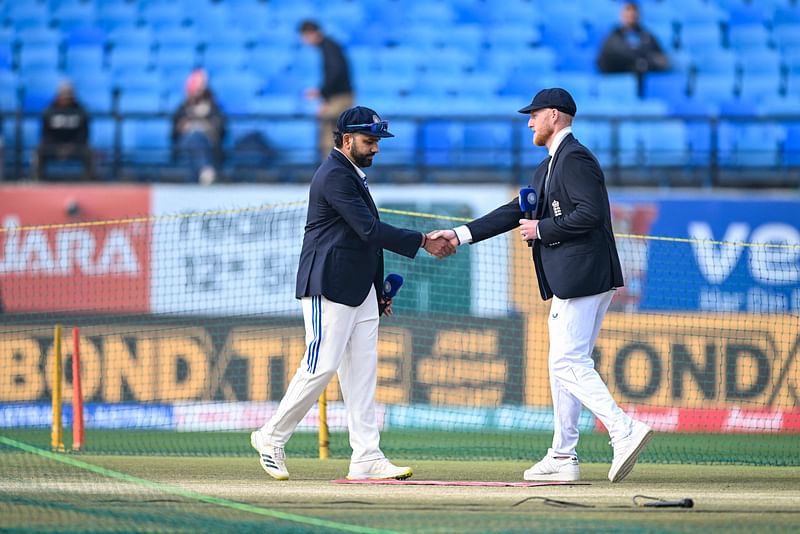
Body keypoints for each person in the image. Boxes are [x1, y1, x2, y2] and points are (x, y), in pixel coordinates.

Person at [430, 88, 653, 483]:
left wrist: (542, 228)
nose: (529, 122)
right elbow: (514, 211)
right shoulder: (547, 167)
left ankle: (623, 429)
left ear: (554, 115)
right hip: (575, 277)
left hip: (582, 275)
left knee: (568, 362)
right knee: (560, 365)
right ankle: (563, 456)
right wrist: (459, 234)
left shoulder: (575, 158)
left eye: (533, 115)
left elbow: (593, 214)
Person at [250, 106, 455, 481]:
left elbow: (364, 242)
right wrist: (424, 240)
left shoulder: (351, 175)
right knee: (321, 365)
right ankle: (270, 436)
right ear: (347, 140)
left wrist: (377, 292)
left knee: (362, 373)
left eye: (376, 141)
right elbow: (368, 230)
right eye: (369, 141)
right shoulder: (334, 175)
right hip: (327, 284)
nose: (376, 148)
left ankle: (366, 457)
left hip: (358, 290)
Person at [298, 20, 354, 161]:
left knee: (330, 133)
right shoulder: (328, 46)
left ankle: (332, 169)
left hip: (340, 97)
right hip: (337, 96)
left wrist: (321, 92)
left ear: (311, 33)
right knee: (333, 132)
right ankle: (334, 168)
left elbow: (336, 73)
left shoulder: (329, 47)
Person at [596, 1, 670, 96]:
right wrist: (638, 58)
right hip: (617, 73)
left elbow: (660, 56)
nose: (631, 16)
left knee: (644, 65)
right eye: (628, 12)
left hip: (642, 70)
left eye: (634, 13)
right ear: (622, 15)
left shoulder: (647, 36)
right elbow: (607, 56)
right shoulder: (614, 35)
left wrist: (646, 60)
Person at [171, 69, 225, 185]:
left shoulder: (213, 107)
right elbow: (174, 131)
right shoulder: (183, 107)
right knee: (193, 137)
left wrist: (203, 124)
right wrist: (191, 121)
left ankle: (203, 172)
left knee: (197, 137)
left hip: (208, 146)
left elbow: (221, 129)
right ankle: (205, 170)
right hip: (185, 146)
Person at [32, 80, 93, 181]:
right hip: (53, 146)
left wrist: (71, 146)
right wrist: (57, 147)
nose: (66, 98)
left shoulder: (81, 111)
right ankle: (39, 180)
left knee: (89, 152)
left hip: (75, 147)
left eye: (68, 95)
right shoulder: (49, 110)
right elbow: (45, 134)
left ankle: (88, 181)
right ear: (58, 95)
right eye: (64, 95)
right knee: (39, 151)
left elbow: (84, 134)